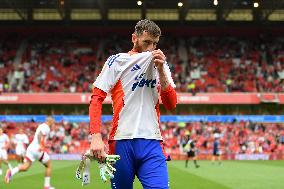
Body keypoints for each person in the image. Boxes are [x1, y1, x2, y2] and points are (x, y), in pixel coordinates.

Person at [89, 19, 177, 189]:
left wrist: (161, 71)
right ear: (134, 38)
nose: (151, 48)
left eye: (155, 43)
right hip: (122, 141)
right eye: (147, 42)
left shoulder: (160, 63)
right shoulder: (116, 61)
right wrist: (95, 137)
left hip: (152, 142)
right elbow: (96, 98)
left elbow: (171, 104)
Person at [5, 116, 55, 189]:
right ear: (50, 121)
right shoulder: (46, 127)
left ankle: (11, 172)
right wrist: (42, 145)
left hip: (31, 148)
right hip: (37, 149)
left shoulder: (41, 125)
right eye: (53, 121)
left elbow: (40, 135)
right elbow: (40, 134)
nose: (53, 123)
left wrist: (43, 144)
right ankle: (46, 186)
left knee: (25, 167)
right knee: (49, 165)